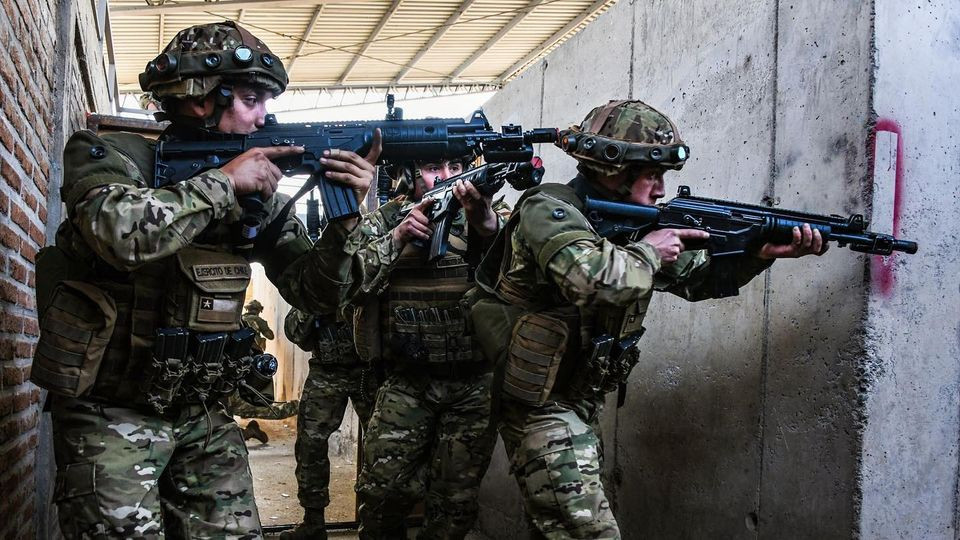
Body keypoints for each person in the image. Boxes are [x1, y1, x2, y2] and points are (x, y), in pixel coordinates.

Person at [32, 21, 379, 538]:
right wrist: (223, 183)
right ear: (199, 98)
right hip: (110, 411)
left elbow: (316, 294)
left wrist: (347, 223)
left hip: (202, 412)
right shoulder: (112, 155)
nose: (265, 116)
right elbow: (119, 234)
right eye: (251, 98)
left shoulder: (258, 198)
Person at [470, 100, 828, 539]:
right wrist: (651, 251)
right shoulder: (548, 209)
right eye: (652, 176)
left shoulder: (633, 226)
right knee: (589, 531)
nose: (661, 190)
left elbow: (698, 280)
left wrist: (758, 254)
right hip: (537, 404)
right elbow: (592, 279)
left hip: (580, 397)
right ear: (613, 170)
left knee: (555, 526)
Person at [334, 155, 509, 539]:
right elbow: (344, 284)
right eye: (433, 167)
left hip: (474, 383)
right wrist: (397, 239)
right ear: (408, 174)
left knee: (454, 502)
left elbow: (523, 275)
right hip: (406, 381)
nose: (446, 176)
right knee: (381, 492)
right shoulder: (387, 219)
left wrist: (487, 226)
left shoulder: (491, 214)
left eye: (456, 166)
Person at [280, 306, 379, 540]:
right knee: (310, 445)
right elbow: (295, 332)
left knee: (382, 446)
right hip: (326, 371)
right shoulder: (319, 284)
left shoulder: (372, 276)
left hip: (370, 371)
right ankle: (313, 522)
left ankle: (377, 524)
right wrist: (317, 303)